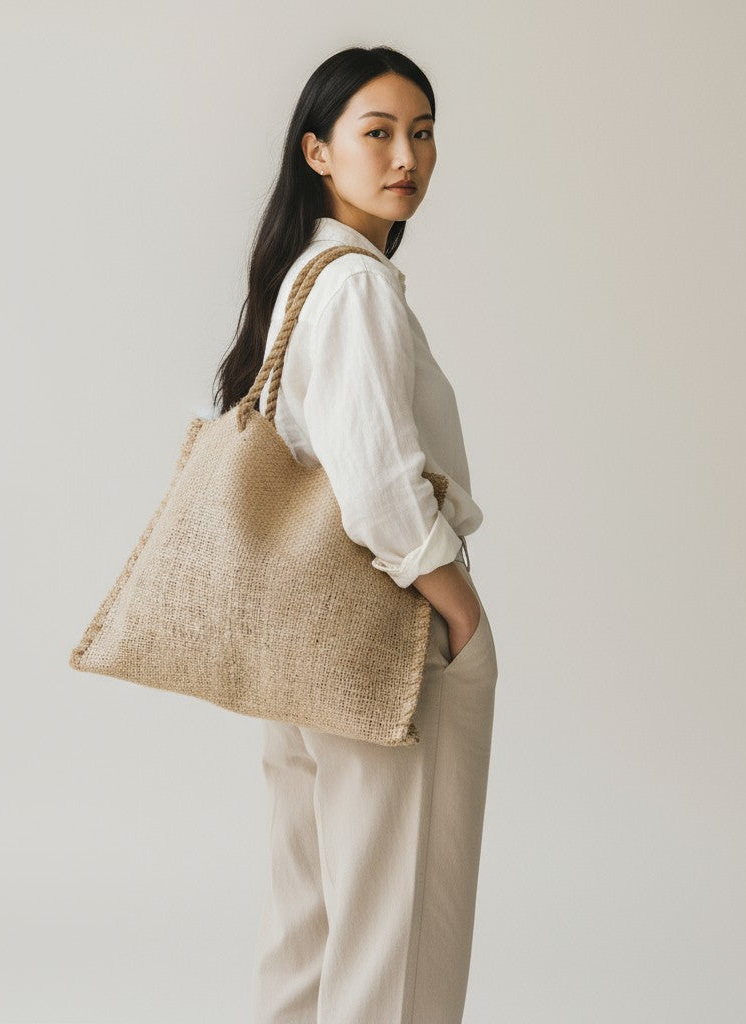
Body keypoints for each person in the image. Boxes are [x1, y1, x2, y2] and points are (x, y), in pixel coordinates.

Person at [211, 45, 499, 1024]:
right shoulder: (358, 286)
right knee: (396, 927)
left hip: (299, 637)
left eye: (420, 132)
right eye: (375, 132)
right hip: (386, 627)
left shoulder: (302, 280)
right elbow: (377, 484)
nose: (406, 155)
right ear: (317, 153)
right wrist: (454, 602)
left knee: (314, 918)